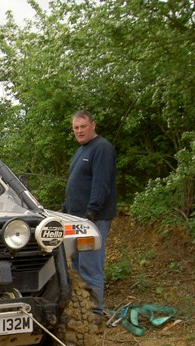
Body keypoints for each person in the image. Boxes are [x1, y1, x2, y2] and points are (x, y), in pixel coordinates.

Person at [63, 110, 117, 319]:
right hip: (75, 219)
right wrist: (65, 210)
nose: (79, 131)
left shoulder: (102, 148)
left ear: (93, 125)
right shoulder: (82, 150)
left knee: (90, 265)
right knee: (76, 264)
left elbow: (101, 183)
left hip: (93, 219)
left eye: (83, 126)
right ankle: (81, 310)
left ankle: (94, 312)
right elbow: (76, 184)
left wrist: (92, 211)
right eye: (76, 128)